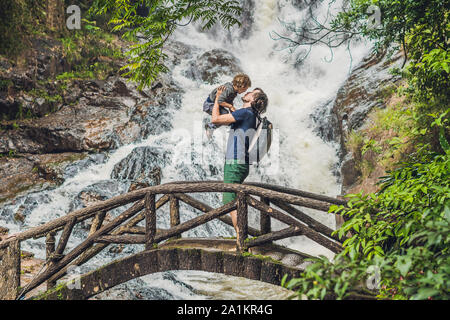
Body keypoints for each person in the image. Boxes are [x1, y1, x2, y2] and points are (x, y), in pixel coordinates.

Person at [211, 85, 269, 236]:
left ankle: (242, 240)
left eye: (251, 93)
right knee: (234, 200)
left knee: (229, 202)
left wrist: (218, 98)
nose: (247, 92)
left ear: (254, 99)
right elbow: (236, 117)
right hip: (242, 163)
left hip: (235, 162)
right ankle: (242, 238)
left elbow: (215, 119)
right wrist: (229, 105)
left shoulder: (246, 112)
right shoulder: (253, 116)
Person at [203, 74, 252, 138]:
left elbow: (229, 101)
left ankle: (208, 123)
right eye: (245, 89)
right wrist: (230, 107)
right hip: (209, 105)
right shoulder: (228, 89)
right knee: (224, 115)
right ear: (241, 86)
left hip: (215, 105)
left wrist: (232, 111)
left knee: (229, 116)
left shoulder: (234, 91)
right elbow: (219, 101)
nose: (245, 91)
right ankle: (210, 127)